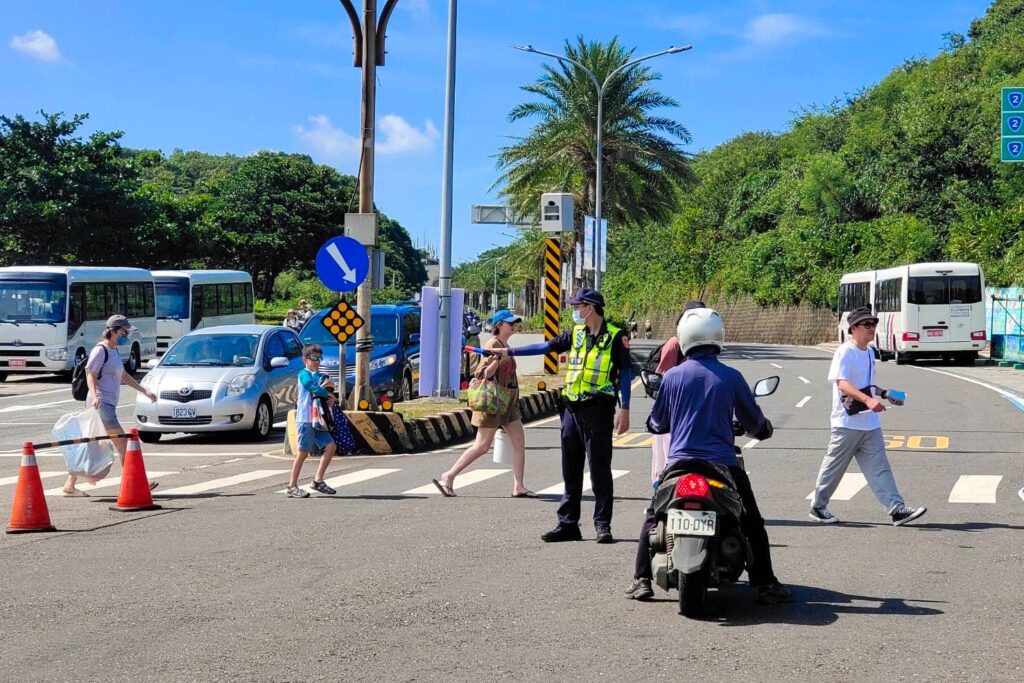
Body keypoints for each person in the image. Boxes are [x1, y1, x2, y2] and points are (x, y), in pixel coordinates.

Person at [625, 307, 792, 604]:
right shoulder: (731, 377)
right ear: (718, 336)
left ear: (685, 338)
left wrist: (660, 422)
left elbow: (657, 422)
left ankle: (641, 580)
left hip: (679, 465)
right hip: (722, 466)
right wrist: (762, 429)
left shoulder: (673, 378)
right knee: (751, 520)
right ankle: (766, 583)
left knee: (653, 516)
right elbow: (755, 423)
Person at [492, 288, 631, 544]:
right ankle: (568, 524)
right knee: (571, 469)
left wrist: (625, 409)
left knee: (599, 470)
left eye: (578, 306)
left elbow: (625, 374)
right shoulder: (575, 334)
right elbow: (546, 346)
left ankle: (602, 524)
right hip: (571, 410)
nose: (575, 311)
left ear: (590, 307)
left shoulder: (615, 336)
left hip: (599, 410)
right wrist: (509, 352)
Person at [809, 306, 926, 526]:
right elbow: (842, 383)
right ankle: (818, 507)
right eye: (867, 325)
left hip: (869, 424)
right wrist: (868, 400)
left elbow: (867, 385)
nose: (872, 328)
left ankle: (897, 510)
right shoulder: (845, 351)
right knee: (834, 468)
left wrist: (885, 393)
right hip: (847, 422)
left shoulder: (870, 352)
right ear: (853, 328)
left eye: (873, 324)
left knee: (880, 467)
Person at [432, 309, 534, 498]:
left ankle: (518, 486)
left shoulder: (505, 344)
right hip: (492, 401)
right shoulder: (492, 344)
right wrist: (496, 359)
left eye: (514, 322)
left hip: (508, 401)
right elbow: (482, 374)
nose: (513, 325)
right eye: (509, 322)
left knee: (519, 441)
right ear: (499, 325)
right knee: (482, 446)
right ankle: (449, 476)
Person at [62, 316, 158, 496]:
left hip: (107, 404)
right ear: (113, 331)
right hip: (102, 404)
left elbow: (124, 376)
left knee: (90, 443)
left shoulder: (114, 351)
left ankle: (69, 483)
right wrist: (95, 394)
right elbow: (90, 373)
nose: (126, 335)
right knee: (122, 443)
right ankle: (136, 482)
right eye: (124, 332)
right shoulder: (101, 350)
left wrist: (144, 390)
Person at [649, 300, 705, 487]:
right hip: (672, 411)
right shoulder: (675, 344)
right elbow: (662, 378)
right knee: (666, 458)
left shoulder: (706, 345)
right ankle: (657, 504)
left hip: (695, 410)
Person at [286, 344, 339, 498]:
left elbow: (328, 386)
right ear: (305, 360)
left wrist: (331, 396)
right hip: (306, 419)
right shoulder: (304, 374)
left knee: (331, 446)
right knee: (303, 453)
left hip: (319, 419)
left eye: (319, 358)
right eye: (313, 358)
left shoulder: (320, 375)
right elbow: (312, 386)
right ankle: (292, 486)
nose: (316, 361)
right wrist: (327, 393)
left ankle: (318, 480)